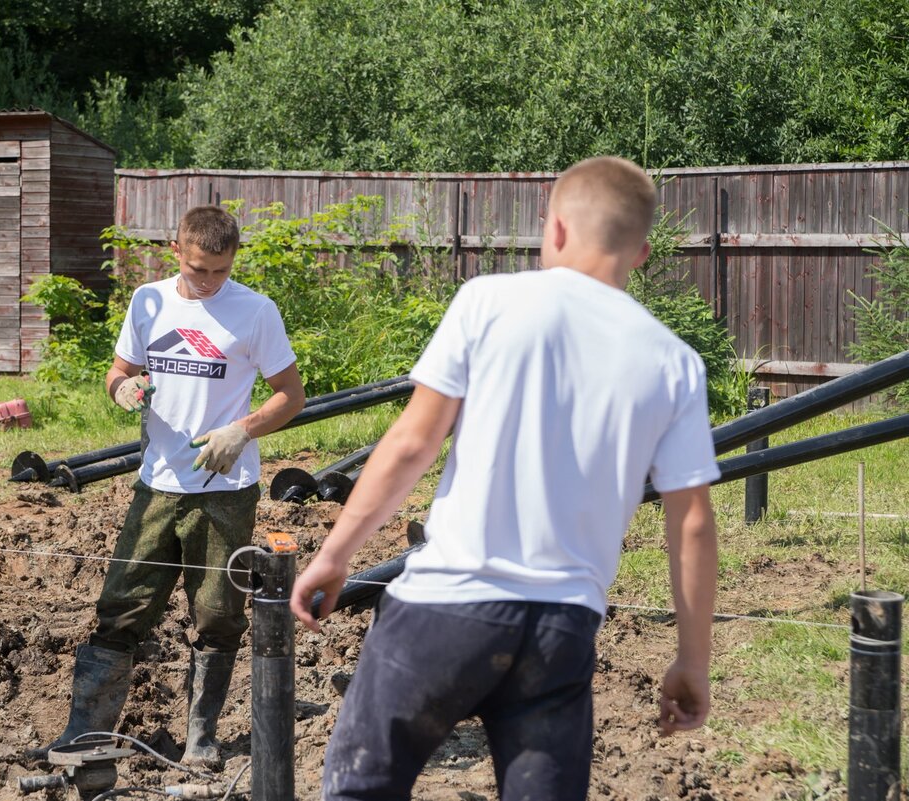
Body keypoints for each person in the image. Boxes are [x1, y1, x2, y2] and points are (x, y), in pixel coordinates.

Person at [291, 156, 720, 801]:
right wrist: (692, 662)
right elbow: (690, 522)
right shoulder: (674, 362)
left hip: (446, 608)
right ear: (642, 252)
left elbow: (413, 442)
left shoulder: (489, 301)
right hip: (562, 629)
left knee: (361, 789)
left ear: (556, 229)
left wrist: (335, 555)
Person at [39, 205, 306, 768]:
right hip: (157, 485)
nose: (208, 282)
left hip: (225, 487)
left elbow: (291, 394)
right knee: (122, 606)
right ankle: (84, 736)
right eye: (197, 269)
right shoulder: (148, 301)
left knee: (217, 615)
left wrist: (243, 428)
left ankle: (201, 739)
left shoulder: (255, 312)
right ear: (175, 250)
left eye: (219, 271)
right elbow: (118, 371)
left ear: (233, 260)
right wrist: (121, 390)